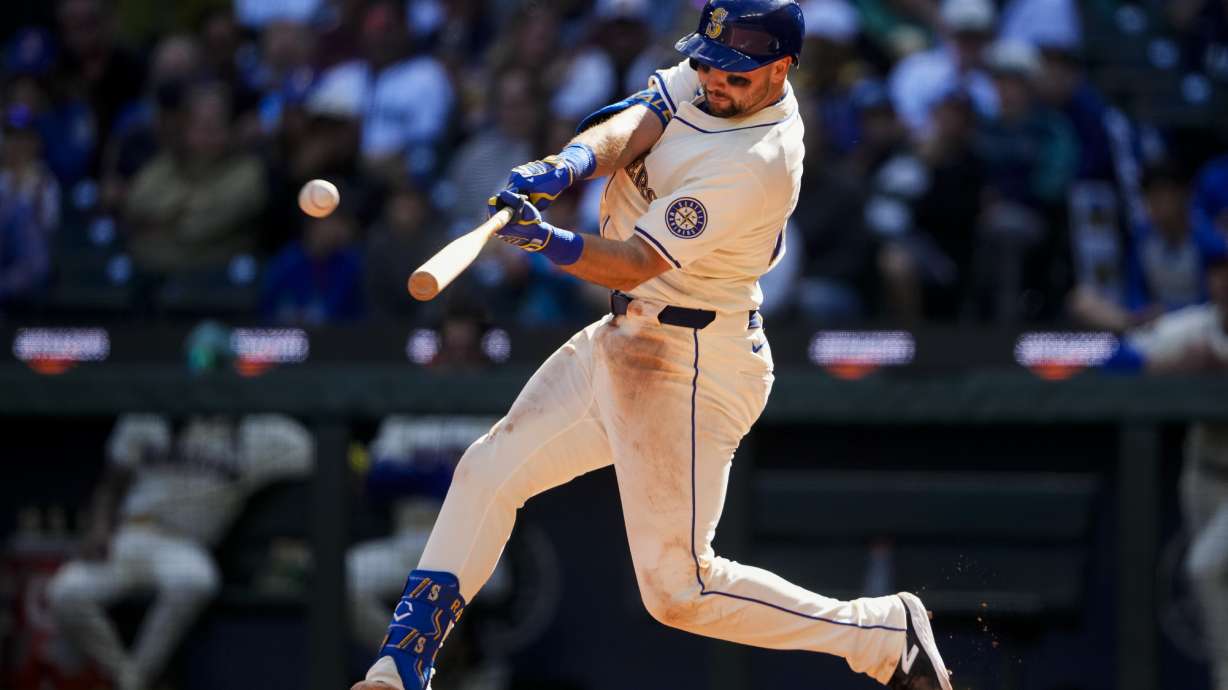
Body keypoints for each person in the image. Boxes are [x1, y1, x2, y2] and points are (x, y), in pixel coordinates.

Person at [352, 3, 952, 690]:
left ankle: (879, 635)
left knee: (679, 590)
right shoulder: (713, 76)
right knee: (488, 471)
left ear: (781, 69)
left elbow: (634, 260)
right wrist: (565, 164)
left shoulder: (756, 160)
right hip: (628, 334)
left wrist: (545, 240)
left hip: (693, 362)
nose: (711, 78)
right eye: (707, 61)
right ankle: (402, 663)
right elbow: (643, 116)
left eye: (732, 71)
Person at [46, 413, 313, 690]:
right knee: (65, 592)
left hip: (184, 545)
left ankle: (134, 679)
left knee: (195, 581)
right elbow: (111, 484)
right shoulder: (146, 419)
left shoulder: (261, 435)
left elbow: (323, 450)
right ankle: (129, 678)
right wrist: (99, 527)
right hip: (130, 534)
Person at [1106, 247, 1228, 690]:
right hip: (1203, 475)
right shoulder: (1194, 327)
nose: (1224, 281)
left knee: (1203, 568)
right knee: (1217, 591)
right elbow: (1114, 361)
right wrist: (1164, 368)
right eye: (1217, 271)